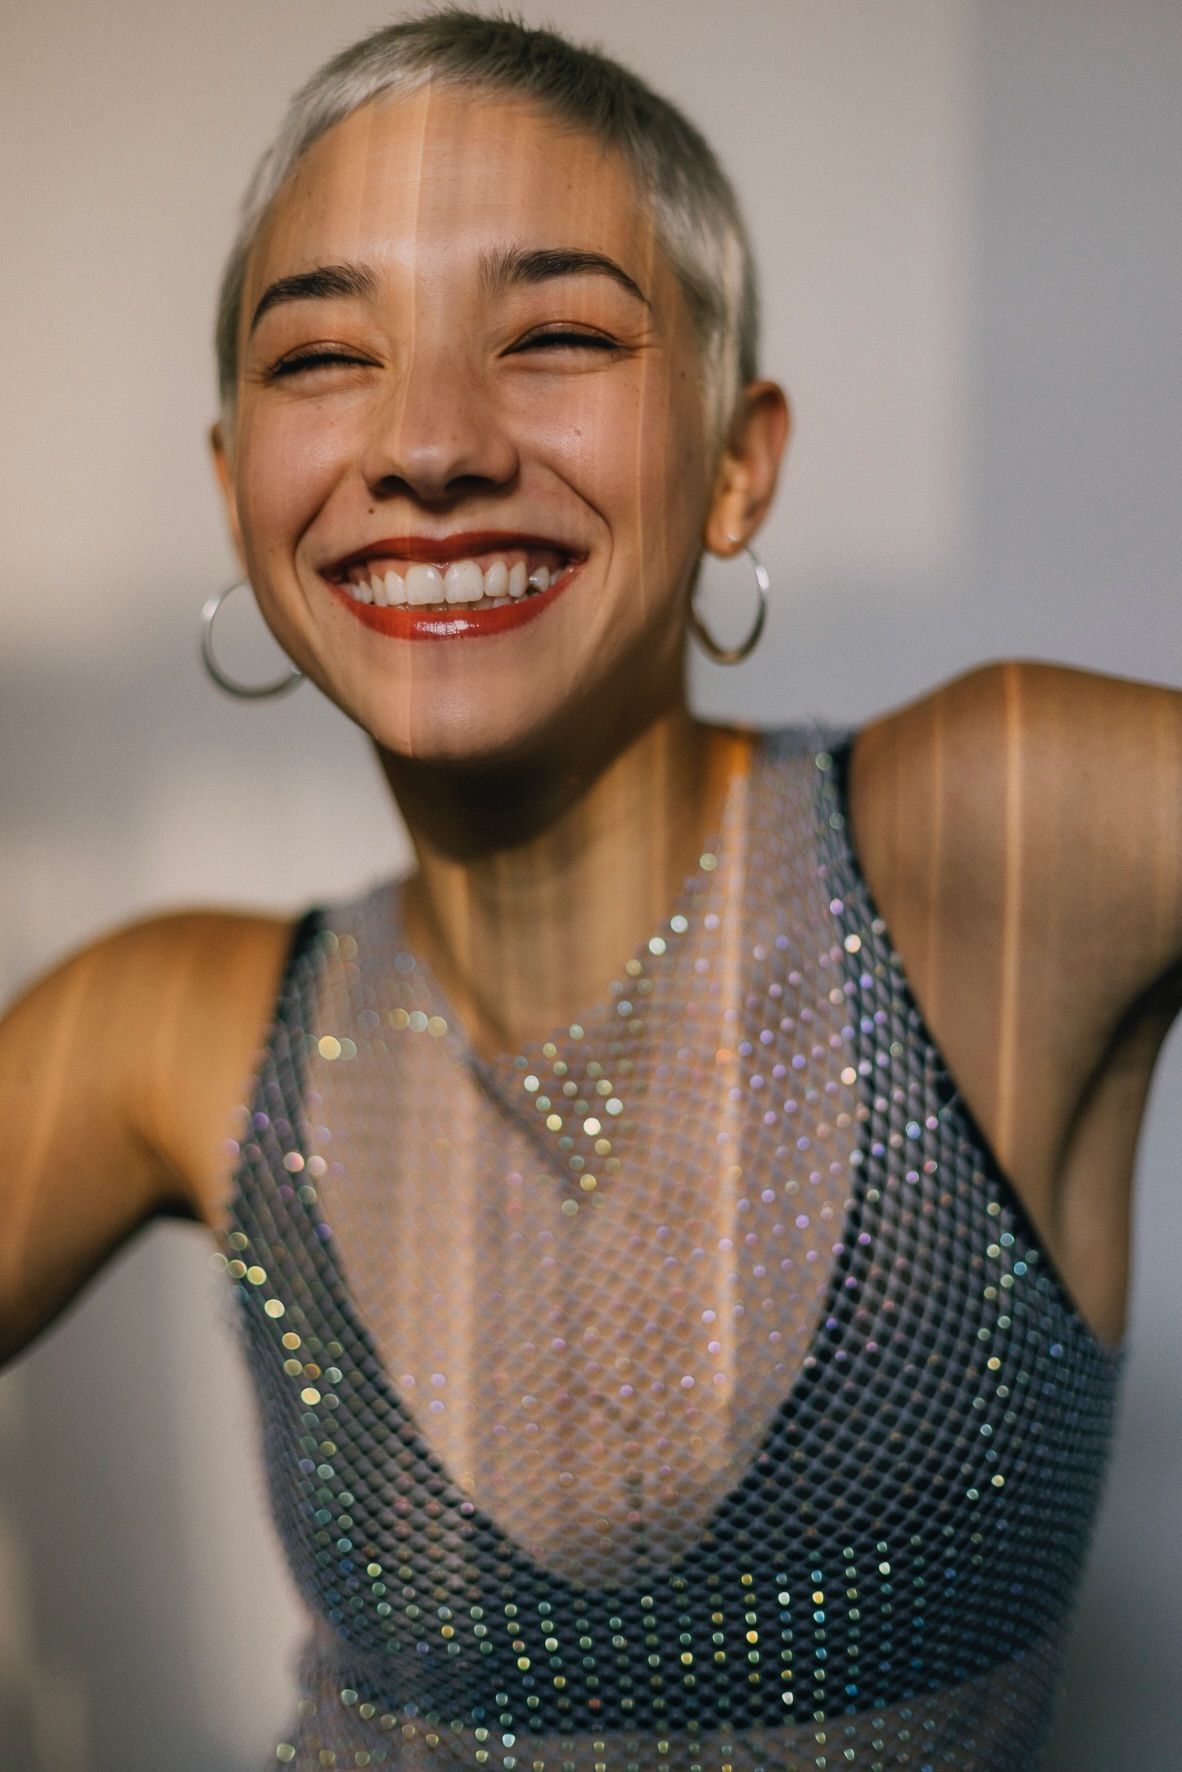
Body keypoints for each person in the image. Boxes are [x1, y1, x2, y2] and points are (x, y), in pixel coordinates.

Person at [1, 9, 1179, 1769]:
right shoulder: (171, 1026)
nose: (432, 445)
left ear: (736, 458)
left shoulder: (1000, 835)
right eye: (323, 356)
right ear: (238, 480)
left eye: (554, 333)